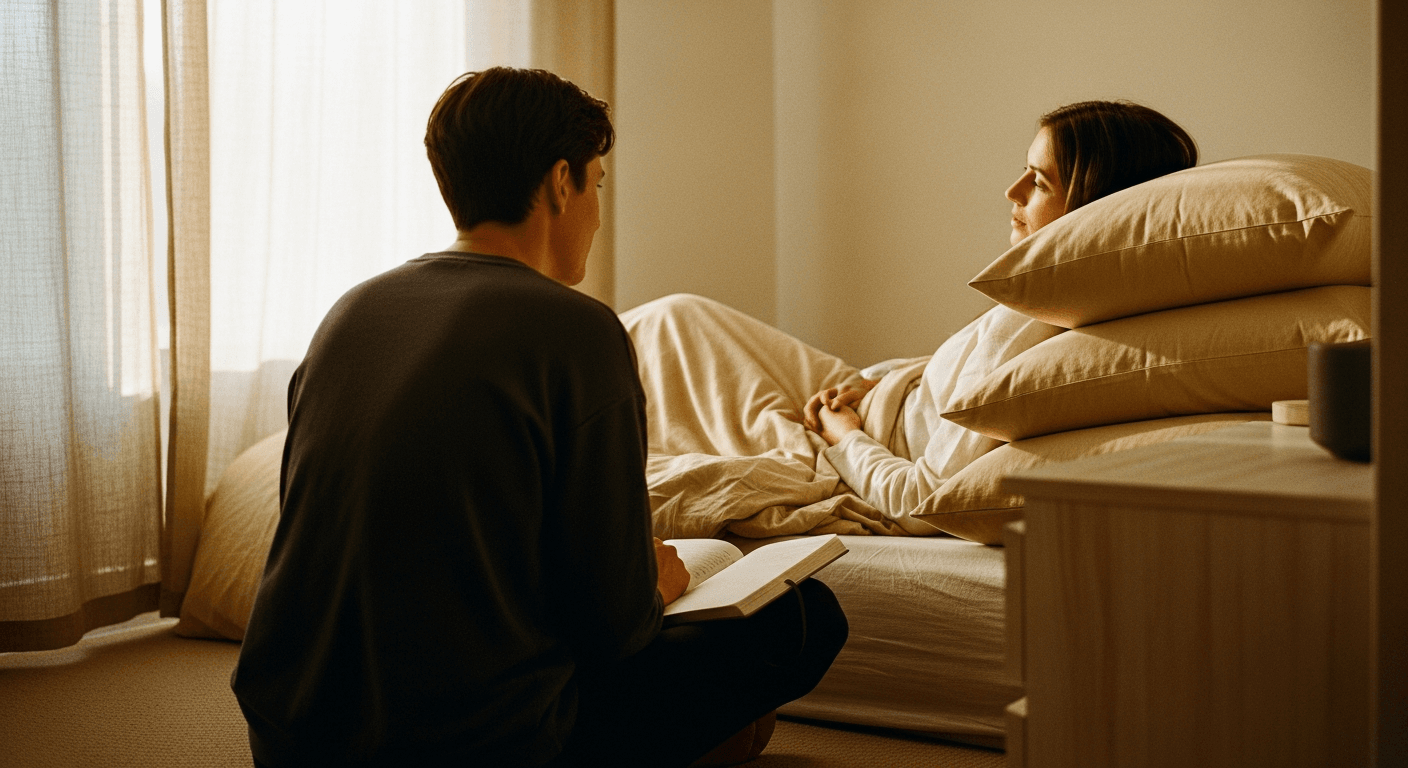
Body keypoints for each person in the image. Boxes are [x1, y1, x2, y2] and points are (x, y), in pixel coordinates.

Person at [231, 67, 848, 768]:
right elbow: (616, 629)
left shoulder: (350, 313)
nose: (596, 207)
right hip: (481, 743)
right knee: (803, 617)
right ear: (562, 182)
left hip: (291, 737)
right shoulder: (577, 331)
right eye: (599, 182)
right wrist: (657, 585)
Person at [619, 101, 1198, 537]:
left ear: (1095, 206)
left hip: (852, 434)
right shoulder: (1054, 300)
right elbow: (961, 375)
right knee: (674, 322)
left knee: (659, 339)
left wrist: (842, 435)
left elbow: (922, 497)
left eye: (1040, 181)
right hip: (866, 392)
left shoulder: (1052, 330)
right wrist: (877, 380)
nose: (1012, 191)